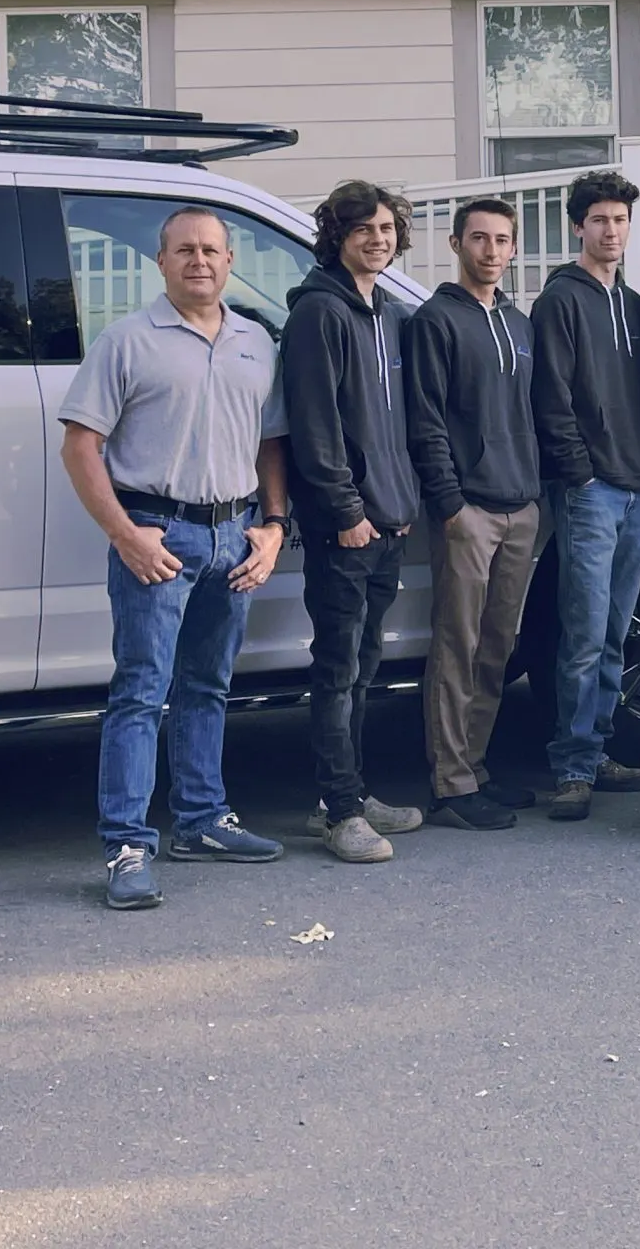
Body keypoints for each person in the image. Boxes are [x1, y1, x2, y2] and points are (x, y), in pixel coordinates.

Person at [59, 206, 292, 911]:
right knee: (140, 691)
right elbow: (79, 445)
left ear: (229, 262)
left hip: (236, 535)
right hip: (158, 537)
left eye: (213, 251)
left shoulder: (257, 342)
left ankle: (202, 820)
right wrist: (126, 535)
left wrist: (274, 526)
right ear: (160, 262)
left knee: (210, 686)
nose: (200, 261)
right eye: (185, 250)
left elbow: (270, 443)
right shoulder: (127, 342)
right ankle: (126, 845)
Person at [284, 179, 427, 865]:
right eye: (363, 229)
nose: (379, 239)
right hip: (347, 527)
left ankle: (350, 792)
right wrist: (346, 512)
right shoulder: (319, 314)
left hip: (389, 523)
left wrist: (399, 510)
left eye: (387, 228)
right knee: (338, 667)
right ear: (336, 237)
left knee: (366, 665)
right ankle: (338, 811)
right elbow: (315, 426)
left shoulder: (390, 314)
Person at [405, 196, 543, 832]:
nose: (492, 251)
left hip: (521, 506)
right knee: (457, 645)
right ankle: (450, 781)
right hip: (469, 511)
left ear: (513, 250)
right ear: (457, 244)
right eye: (480, 239)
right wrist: (450, 503)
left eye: (503, 240)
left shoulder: (518, 323)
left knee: (498, 646)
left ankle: (478, 766)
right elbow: (427, 420)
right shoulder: (435, 320)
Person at [529, 169, 640, 820]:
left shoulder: (634, 305)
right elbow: (551, 397)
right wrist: (579, 474)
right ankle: (572, 766)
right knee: (582, 633)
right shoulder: (561, 302)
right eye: (600, 220)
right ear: (578, 226)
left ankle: (601, 747)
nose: (612, 230)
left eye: (620, 220)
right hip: (591, 493)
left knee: (615, 633)